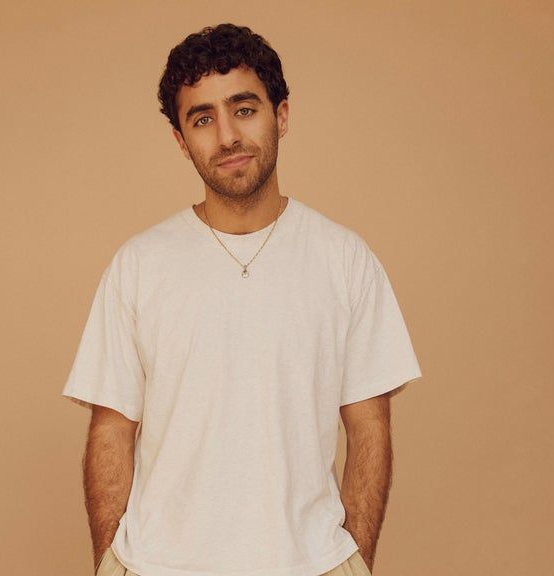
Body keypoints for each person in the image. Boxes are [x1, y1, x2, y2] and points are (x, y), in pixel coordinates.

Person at [63, 23, 423, 576]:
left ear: (282, 115)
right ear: (181, 141)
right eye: (202, 119)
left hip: (309, 564)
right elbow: (111, 429)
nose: (227, 136)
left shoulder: (345, 260)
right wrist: (111, 563)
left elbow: (369, 426)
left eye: (244, 109)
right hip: (158, 565)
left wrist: (353, 562)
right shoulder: (139, 265)